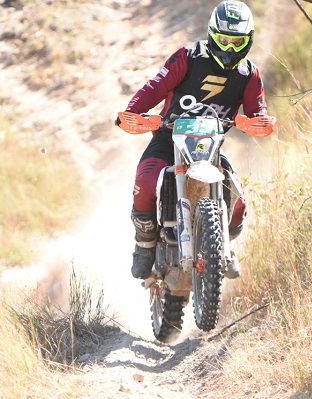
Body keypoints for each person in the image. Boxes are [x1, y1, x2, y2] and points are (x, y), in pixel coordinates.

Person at [116, 0, 273, 280]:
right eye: (224, 39)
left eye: (237, 42)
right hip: (169, 139)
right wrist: (133, 112)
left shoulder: (249, 73)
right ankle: (144, 246)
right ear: (212, 34)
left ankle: (223, 247)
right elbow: (154, 87)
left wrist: (260, 121)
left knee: (239, 202)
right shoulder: (188, 57)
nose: (229, 48)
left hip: (210, 146)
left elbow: (257, 110)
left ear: (248, 41)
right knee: (145, 182)